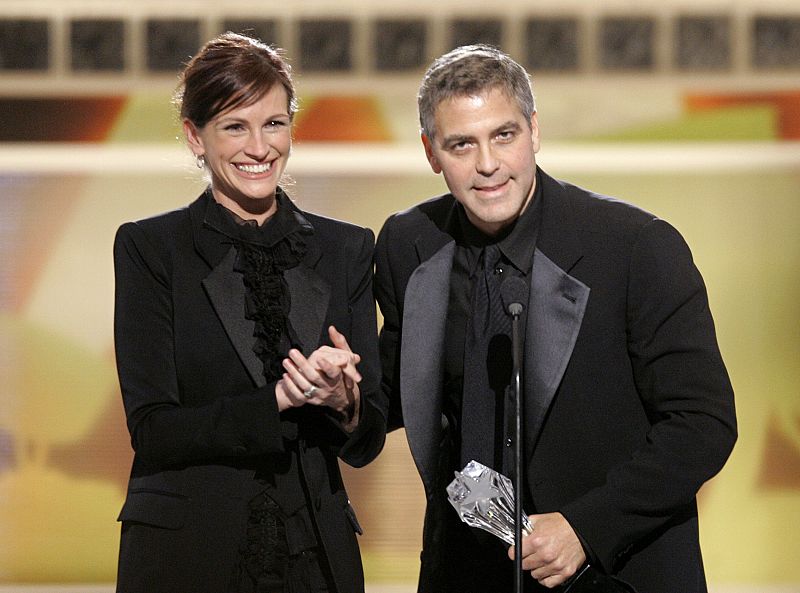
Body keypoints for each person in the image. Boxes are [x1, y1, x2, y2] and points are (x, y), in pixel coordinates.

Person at [374, 44, 737, 593]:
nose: (488, 164)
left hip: (611, 573)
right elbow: (394, 394)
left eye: (504, 135)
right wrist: (338, 393)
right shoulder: (410, 243)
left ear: (534, 130)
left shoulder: (635, 247)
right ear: (431, 152)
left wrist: (585, 527)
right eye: (462, 144)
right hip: (466, 573)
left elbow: (703, 423)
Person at [113, 33, 386, 593]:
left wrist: (344, 401)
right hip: (187, 556)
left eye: (274, 124)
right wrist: (279, 400)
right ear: (196, 137)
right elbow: (154, 430)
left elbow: (366, 441)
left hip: (314, 558)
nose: (259, 148)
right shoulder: (151, 249)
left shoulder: (347, 249)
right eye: (235, 126)